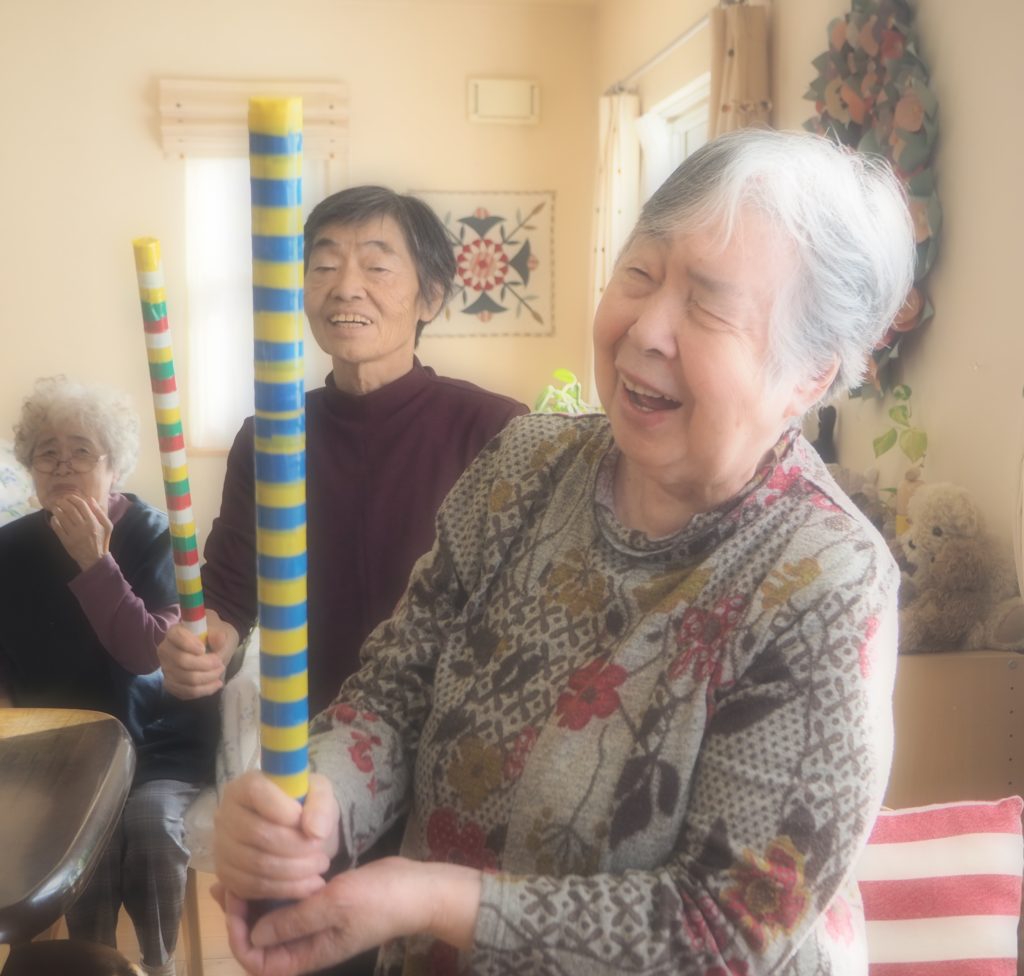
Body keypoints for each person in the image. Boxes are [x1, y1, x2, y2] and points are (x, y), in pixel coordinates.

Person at [213, 128, 916, 976]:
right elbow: (393, 695)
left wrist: (436, 901)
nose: (645, 329)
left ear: (809, 375)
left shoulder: (827, 580)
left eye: (707, 306)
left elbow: (725, 927)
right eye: (639, 273)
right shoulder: (522, 464)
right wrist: (319, 803)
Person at [156, 185, 527, 715]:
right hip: (318, 730)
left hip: (456, 729)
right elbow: (229, 594)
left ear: (431, 296)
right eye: (325, 267)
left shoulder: (496, 430)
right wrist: (199, 645)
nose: (346, 287)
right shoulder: (267, 438)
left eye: (377, 268)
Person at [0, 376, 215, 976]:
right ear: (31, 467)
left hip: (157, 743)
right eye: (47, 452)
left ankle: (157, 963)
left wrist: (94, 560)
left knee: (149, 828)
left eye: (82, 451)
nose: (63, 465)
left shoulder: (157, 535)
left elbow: (147, 654)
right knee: (78, 844)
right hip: (62, 753)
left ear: (114, 466)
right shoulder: (8, 549)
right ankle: (93, 962)